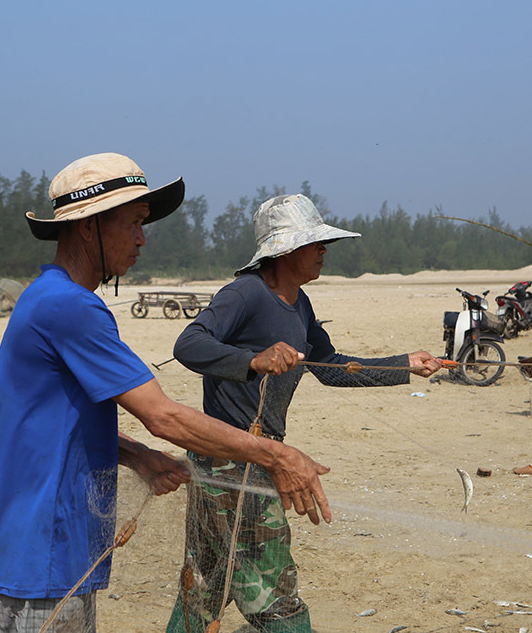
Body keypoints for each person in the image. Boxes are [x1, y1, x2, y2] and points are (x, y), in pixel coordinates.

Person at [0, 154, 333, 633]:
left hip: (26, 549)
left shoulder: (45, 297)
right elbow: (164, 416)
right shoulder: (72, 308)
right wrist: (278, 456)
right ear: (88, 227)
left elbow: (51, 422)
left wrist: (138, 456)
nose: (143, 238)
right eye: (134, 224)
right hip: (47, 553)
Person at [166, 194, 443, 633]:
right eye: (314, 243)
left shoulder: (300, 304)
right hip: (232, 458)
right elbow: (189, 344)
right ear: (284, 250)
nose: (323, 252)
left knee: (204, 585)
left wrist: (404, 363)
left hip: (256, 454)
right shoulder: (245, 293)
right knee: (271, 587)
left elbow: (332, 369)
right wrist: (254, 360)